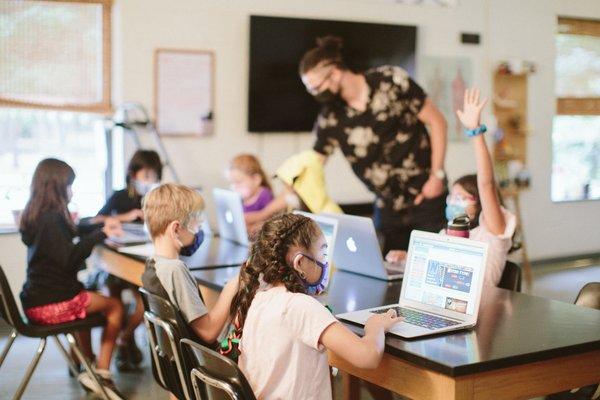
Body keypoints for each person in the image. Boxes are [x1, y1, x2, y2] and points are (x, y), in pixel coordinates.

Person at [299, 36, 449, 252]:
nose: (315, 94)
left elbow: (438, 122)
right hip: (387, 210)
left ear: (335, 72)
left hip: (427, 198)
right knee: (388, 273)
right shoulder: (330, 117)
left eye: (316, 87)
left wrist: (437, 176)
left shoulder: (391, 80)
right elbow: (312, 164)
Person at [230, 213, 401, 400]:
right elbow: (368, 357)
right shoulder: (301, 306)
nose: (327, 262)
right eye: (324, 253)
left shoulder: (259, 298)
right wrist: (375, 327)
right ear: (300, 262)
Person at [387, 88, 517, 286]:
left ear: (481, 203)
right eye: (452, 197)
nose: (453, 203)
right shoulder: (447, 234)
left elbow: (487, 184)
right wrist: (405, 258)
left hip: (483, 312)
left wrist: (476, 132)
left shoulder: (492, 234)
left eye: (461, 198)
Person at [19, 158, 125, 399]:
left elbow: (73, 230)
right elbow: (69, 258)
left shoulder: (38, 214)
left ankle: (87, 365)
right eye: (69, 185)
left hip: (35, 300)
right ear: (56, 187)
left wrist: (97, 224)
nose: (71, 190)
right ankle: (103, 373)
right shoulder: (52, 219)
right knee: (115, 307)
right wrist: (101, 234)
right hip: (51, 304)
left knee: (85, 299)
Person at [87, 149, 163, 370]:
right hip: (115, 262)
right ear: (133, 174)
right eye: (146, 175)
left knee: (143, 304)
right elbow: (94, 220)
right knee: (115, 299)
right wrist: (125, 217)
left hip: (142, 260)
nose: (150, 181)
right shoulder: (121, 196)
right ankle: (125, 344)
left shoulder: (157, 196)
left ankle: (124, 338)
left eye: (154, 176)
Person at [141, 183, 239, 344]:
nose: (199, 233)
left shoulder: (153, 264)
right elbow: (208, 332)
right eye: (197, 226)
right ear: (176, 229)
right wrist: (232, 286)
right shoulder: (176, 270)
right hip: (202, 364)